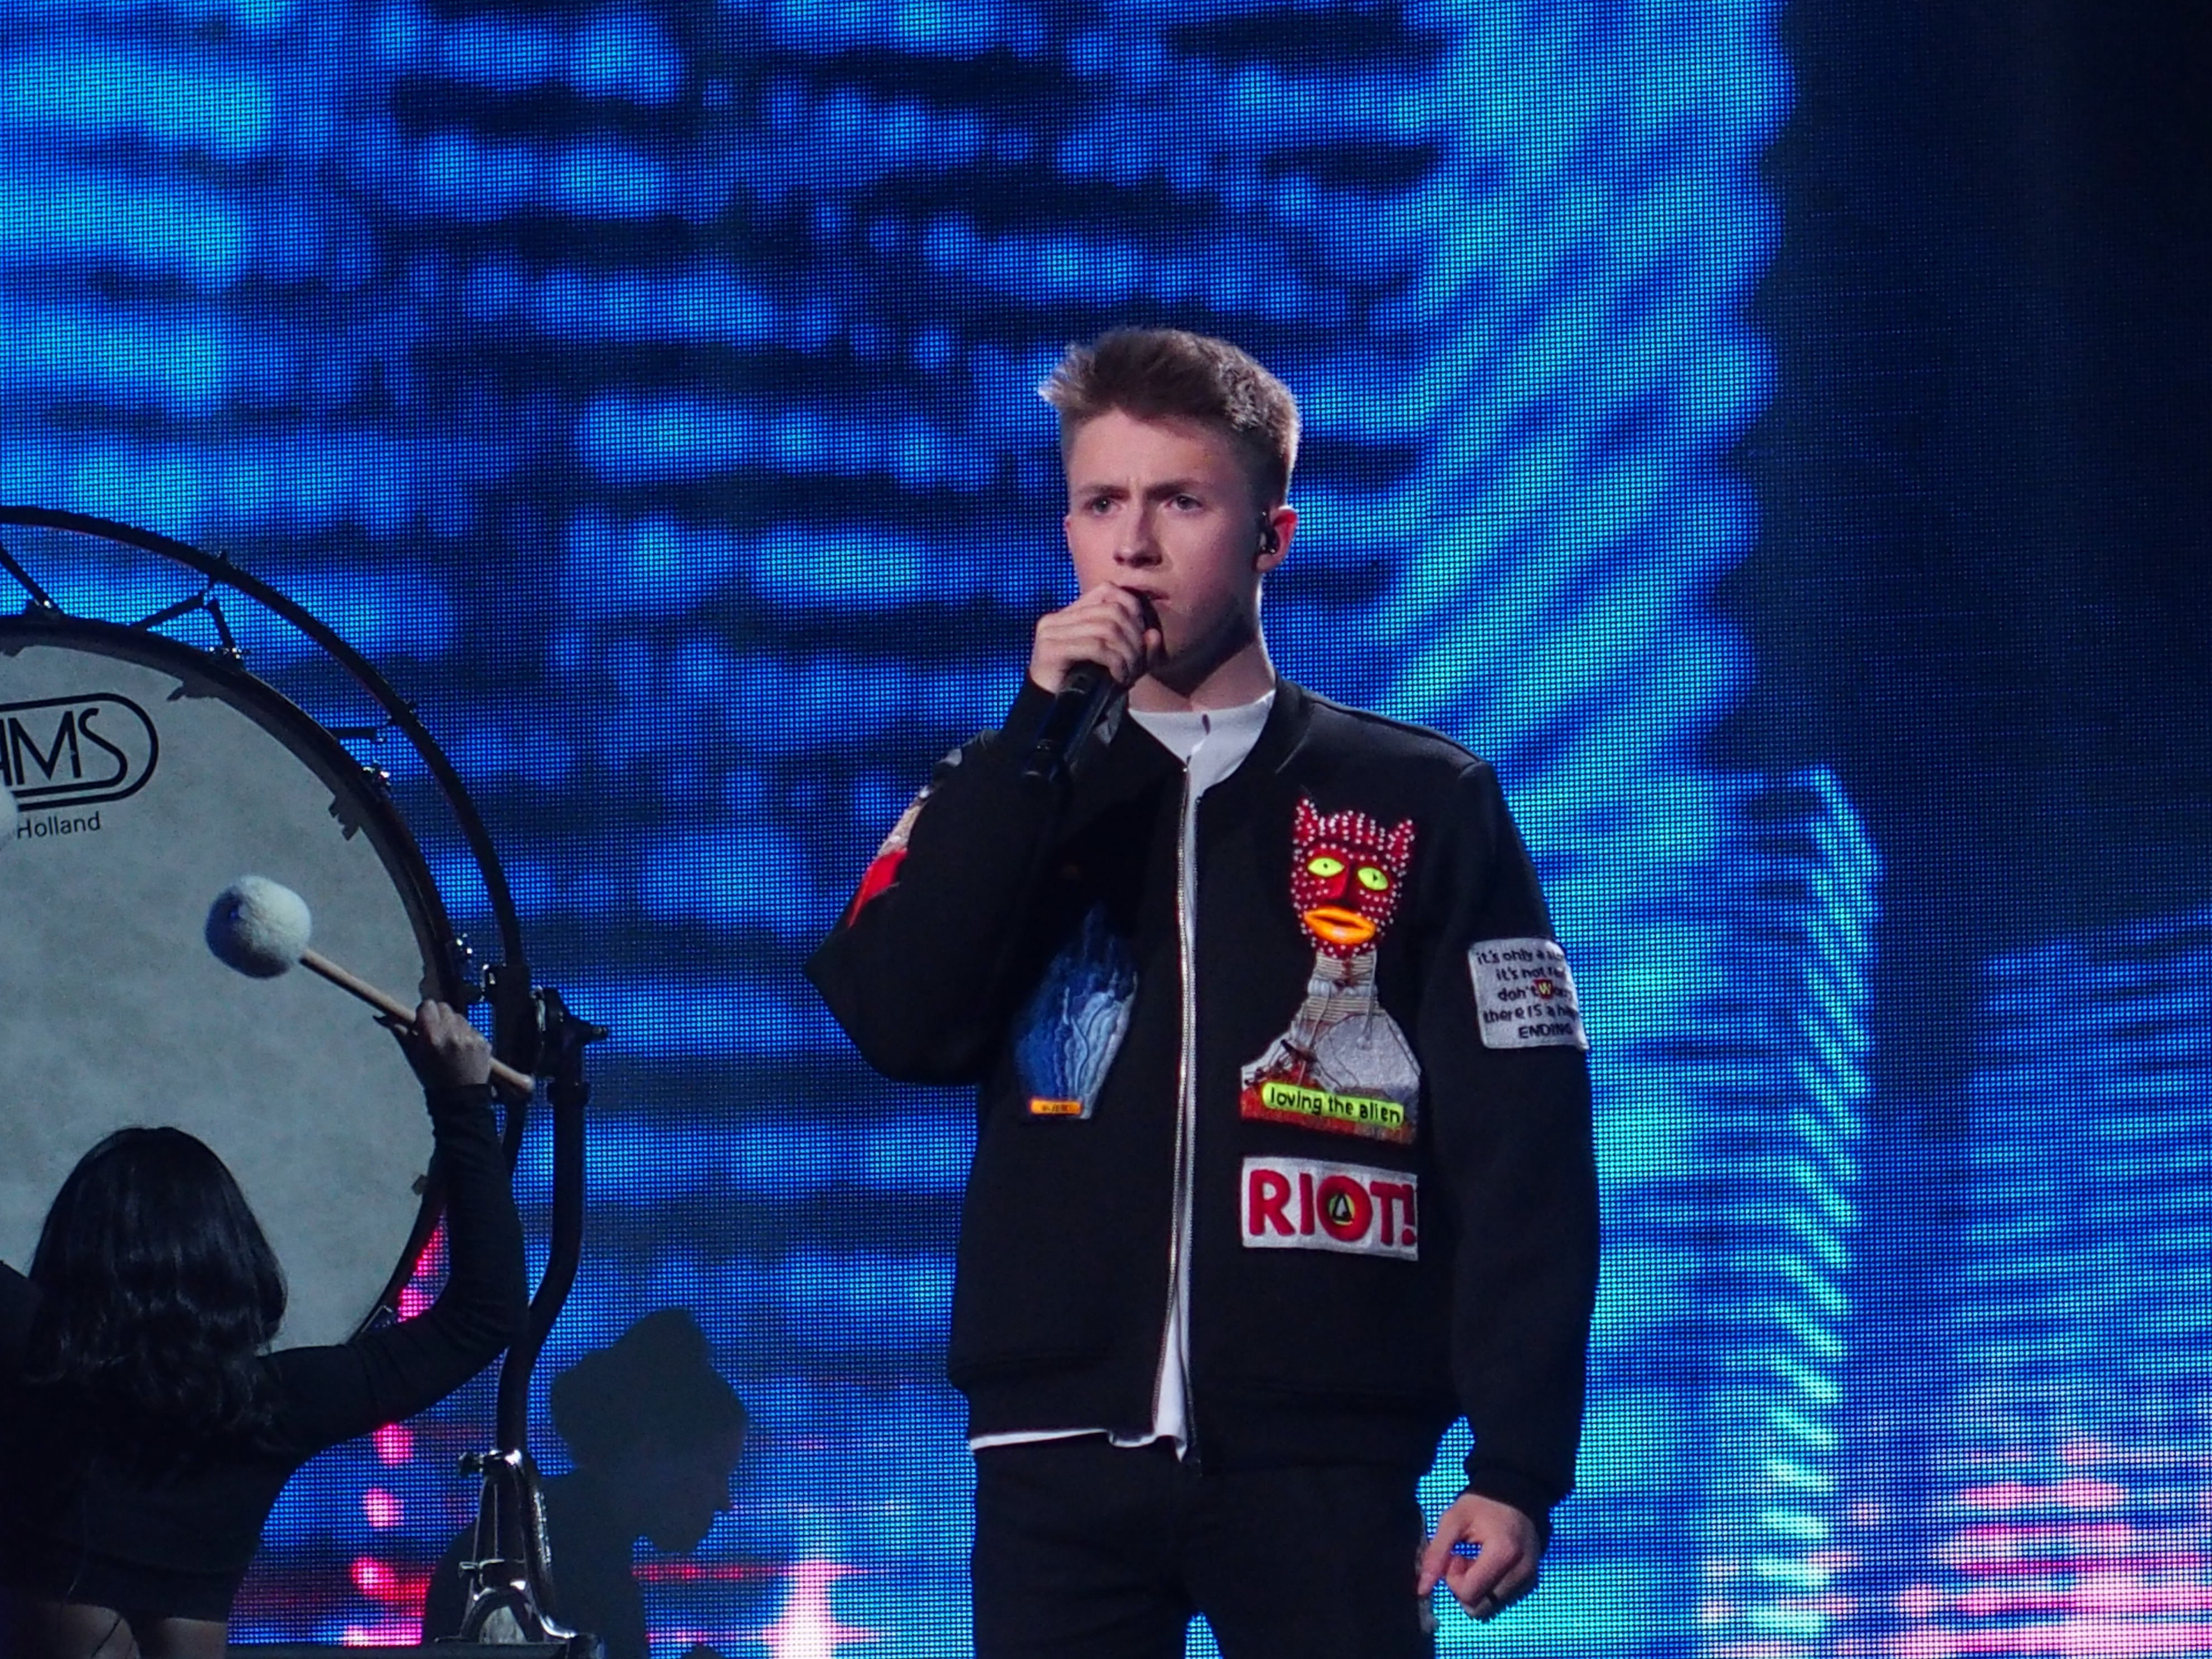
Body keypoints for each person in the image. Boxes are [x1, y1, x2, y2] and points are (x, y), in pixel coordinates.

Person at [806, 327, 1601, 1656]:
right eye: (1098, 503)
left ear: (1270, 535)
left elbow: (1520, 1143)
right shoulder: (999, 789)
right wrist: (1034, 749)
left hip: (1324, 1461)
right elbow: (901, 1021)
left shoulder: (1420, 798)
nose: (1131, 546)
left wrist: (1517, 1460)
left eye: (1178, 502)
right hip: (1055, 1459)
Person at [0, 1003, 526, 1659]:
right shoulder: (274, 1407)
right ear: (234, 1259)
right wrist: (460, 1101)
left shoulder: (33, 1354)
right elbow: (485, 1313)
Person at [419, 1307, 750, 1659]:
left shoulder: (551, 1538)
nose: (724, 1501)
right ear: (650, 1452)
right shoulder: (566, 1567)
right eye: (715, 1472)